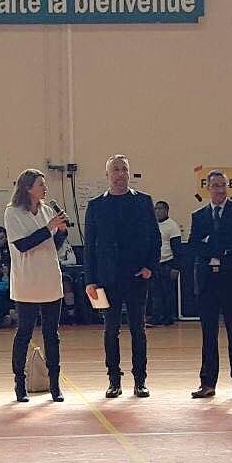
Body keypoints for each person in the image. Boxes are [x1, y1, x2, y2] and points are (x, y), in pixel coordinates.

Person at [84, 155, 160, 398]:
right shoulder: (95, 206)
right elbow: (89, 247)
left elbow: (155, 239)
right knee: (110, 330)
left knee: (139, 329)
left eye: (124, 169)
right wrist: (90, 281)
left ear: (129, 173)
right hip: (105, 281)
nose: (120, 174)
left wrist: (150, 267)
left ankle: (140, 380)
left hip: (137, 277)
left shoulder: (144, 201)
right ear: (107, 175)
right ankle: (113, 380)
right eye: (115, 170)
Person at [4, 169, 69, 402]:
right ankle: (19, 384)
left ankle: (55, 384)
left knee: (52, 334)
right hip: (27, 282)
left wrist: (61, 231)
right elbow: (23, 244)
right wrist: (49, 227)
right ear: (28, 188)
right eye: (41, 184)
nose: (45, 188)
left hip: (50, 279)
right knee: (24, 333)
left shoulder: (46, 210)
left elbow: (53, 245)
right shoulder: (13, 213)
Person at [188, 171, 232, 400]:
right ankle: (207, 383)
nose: (220, 189)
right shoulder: (198, 215)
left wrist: (211, 245)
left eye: (223, 185)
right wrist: (218, 248)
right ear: (208, 188)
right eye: (215, 185)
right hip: (206, 282)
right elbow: (195, 244)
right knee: (208, 334)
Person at [149, 200, 182, 327]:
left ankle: (168, 317)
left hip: (167, 263)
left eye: (160, 208)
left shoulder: (172, 226)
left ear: (166, 210)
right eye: (155, 209)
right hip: (155, 263)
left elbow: (177, 248)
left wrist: (176, 267)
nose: (157, 211)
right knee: (155, 293)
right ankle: (156, 317)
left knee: (167, 292)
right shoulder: (152, 225)